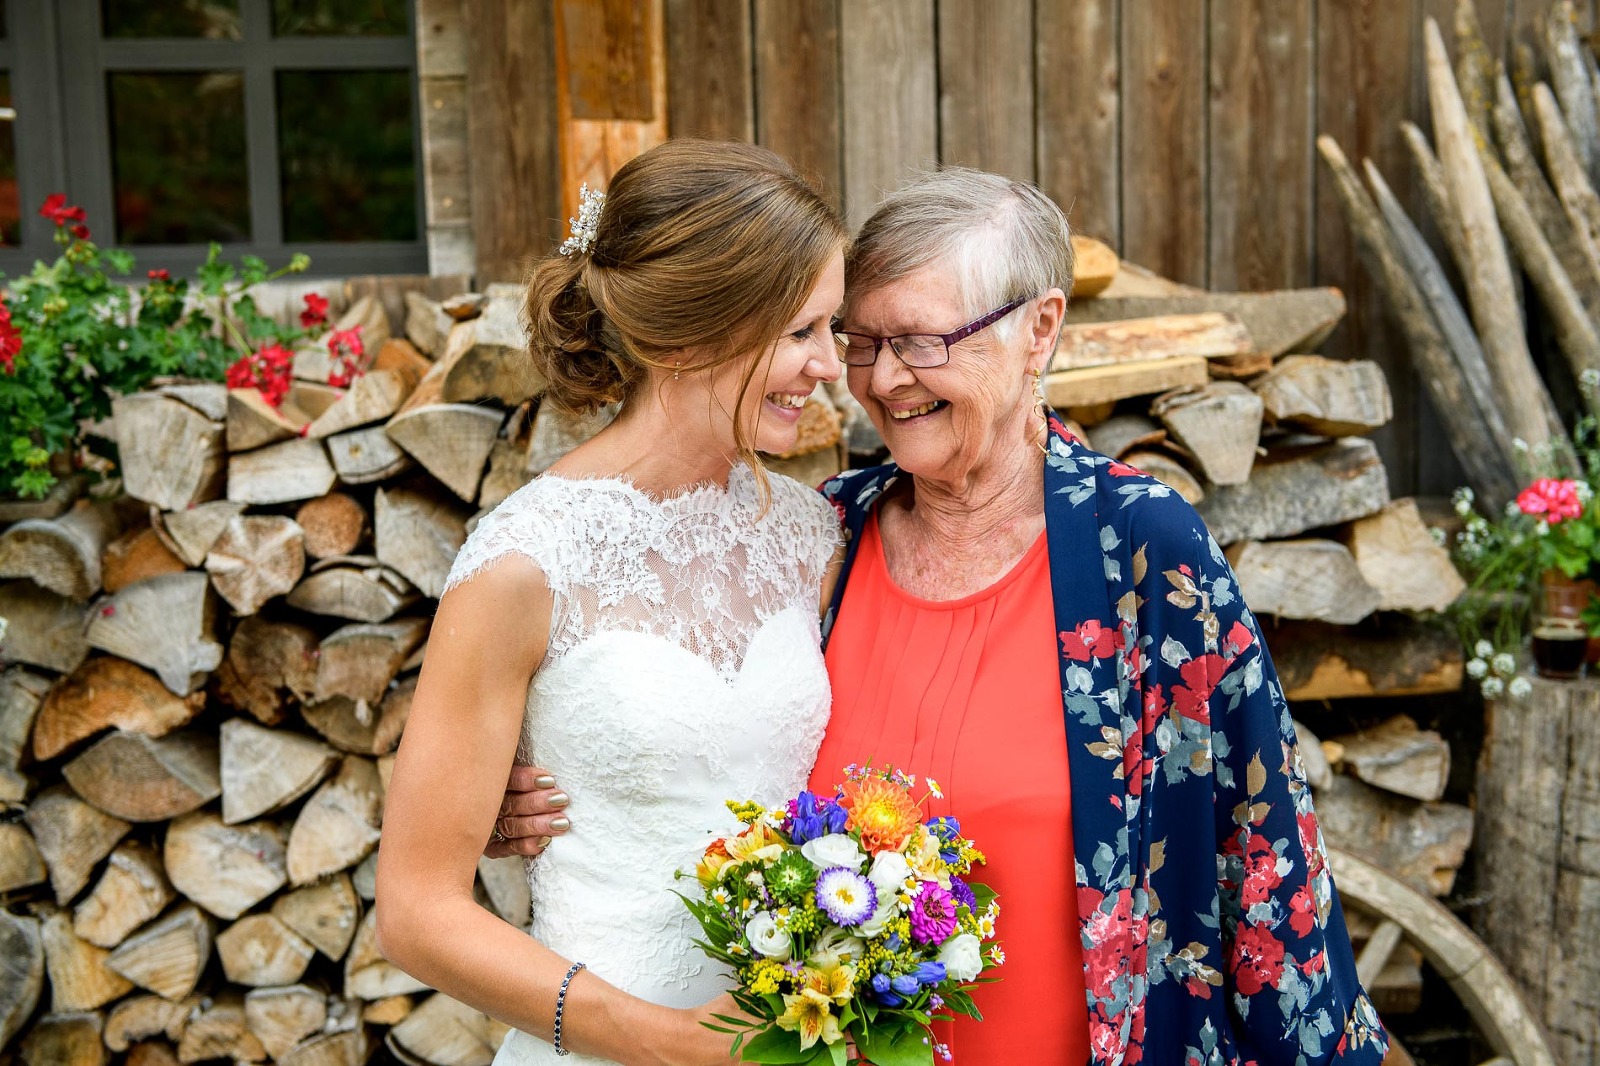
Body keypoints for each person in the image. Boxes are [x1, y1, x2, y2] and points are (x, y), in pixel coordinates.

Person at [498, 168, 1389, 1065]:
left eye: (922, 341)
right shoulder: (821, 534)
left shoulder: (1142, 553)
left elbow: (1263, 849)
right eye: (861, 340)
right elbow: (704, 733)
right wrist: (544, 771)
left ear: (1039, 329)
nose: (883, 381)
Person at [374, 139, 849, 1066]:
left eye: (832, 330)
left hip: (797, 1039)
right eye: (802, 332)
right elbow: (416, 910)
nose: (830, 366)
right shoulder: (522, 562)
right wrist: (658, 1040)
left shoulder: (812, 537)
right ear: (689, 335)